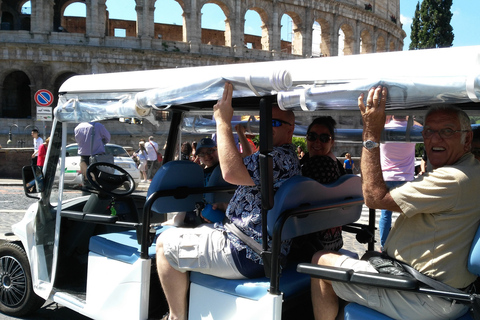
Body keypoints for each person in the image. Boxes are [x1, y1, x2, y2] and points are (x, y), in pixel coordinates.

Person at [311, 86, 480, 320]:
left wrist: (371, 135)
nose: (435, 138)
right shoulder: (471, 170)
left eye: (447, 131)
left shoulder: (453, 178)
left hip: (424, 294)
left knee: (320, 262)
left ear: (467, 138)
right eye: (429, 131)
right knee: (361, 262)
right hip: (436, 289)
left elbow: (374, 198)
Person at [155, 83, 300, 320]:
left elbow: (232, 173)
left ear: (290, 129)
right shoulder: (283, 157)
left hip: (246, 252)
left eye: (273, 123)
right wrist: (228, 207)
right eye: (265, 122)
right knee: (194, 229)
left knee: (163, 243)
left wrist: (222, 122)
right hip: (257, 245)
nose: (267, 127)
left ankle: (176, 317)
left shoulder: (277, 158)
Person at [293, 116, 345, 258]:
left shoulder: (320, 164)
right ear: (306, 138)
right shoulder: (335, 163)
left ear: (332, 142)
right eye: (312, 136)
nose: (317, 142)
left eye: (324, 138)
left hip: (312, 243)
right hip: (332, 240)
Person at [378, 115, 419, 248]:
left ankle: (384, 245)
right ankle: (406, 245)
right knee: (407, 213)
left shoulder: (383, 129)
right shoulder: (412, 130)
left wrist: (386, 119)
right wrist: (410, 119)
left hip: (387, 176)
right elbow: (426, 128)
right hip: (405, 177)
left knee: (385, 214)